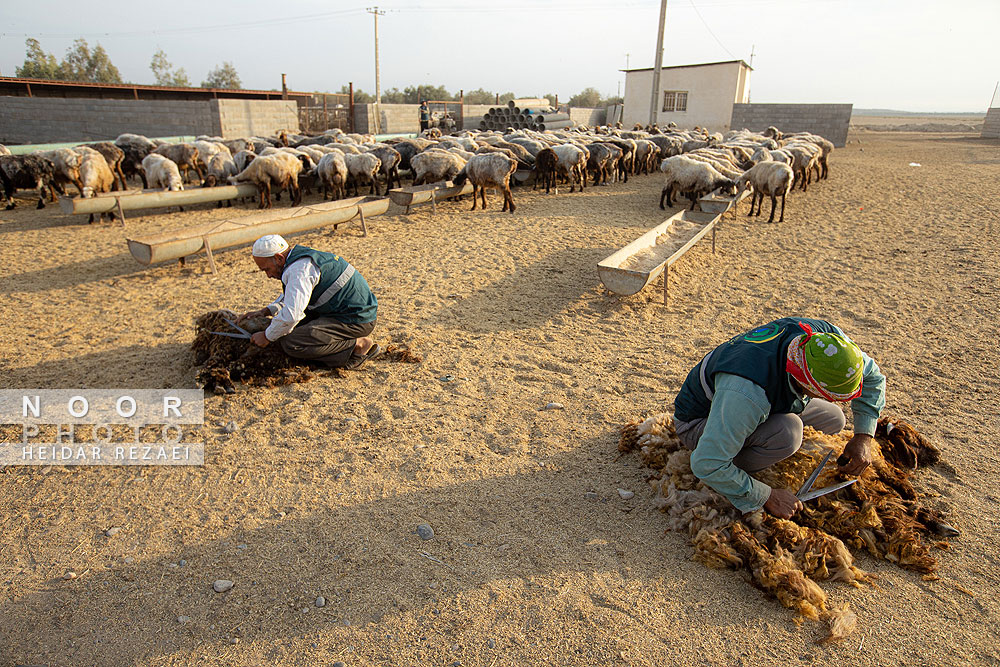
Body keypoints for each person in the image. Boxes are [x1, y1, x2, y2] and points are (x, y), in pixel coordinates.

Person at [672, 317, 885, 520]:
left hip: (758, 395)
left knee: (834, 418)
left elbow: (873, 378)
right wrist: (766, 495)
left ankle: (750, 442)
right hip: (699, 420)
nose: (835, 401)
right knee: (788, 433)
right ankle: (734, 468)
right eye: (829, 396)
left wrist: (864, 436)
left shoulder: (826, 342)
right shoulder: (746, 393)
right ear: (806, 384)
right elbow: (706, 463)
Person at [237, 234, 381, 370]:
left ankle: (356, 346)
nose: (268, 275)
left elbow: (291, 316)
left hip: (356, 319)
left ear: (279, 258)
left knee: (292, 343)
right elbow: (295, 294)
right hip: (346, 311)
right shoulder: (300, 259)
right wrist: (266, 311)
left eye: (267, 269)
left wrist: (266, 336)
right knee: (285, 330)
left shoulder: (300, 270)